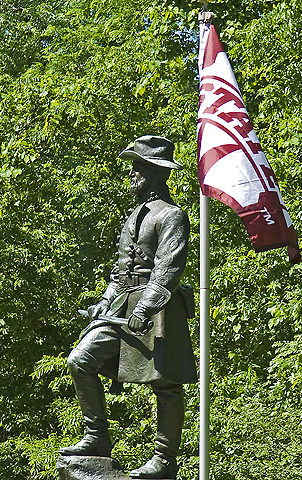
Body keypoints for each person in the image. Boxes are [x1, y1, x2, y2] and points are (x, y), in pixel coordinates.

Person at [59, 135, 197, 479]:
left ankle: (164, 460)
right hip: (121, 305)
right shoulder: (134, 215)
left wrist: (146, 307)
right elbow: (120, 270)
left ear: (154, 173)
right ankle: (97, 438)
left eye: (138, 167)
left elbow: (168, 268)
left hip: (159, 308)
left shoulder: (172, 216)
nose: (132, 174)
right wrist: (103, 304)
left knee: (165, 385)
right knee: (80, 360)